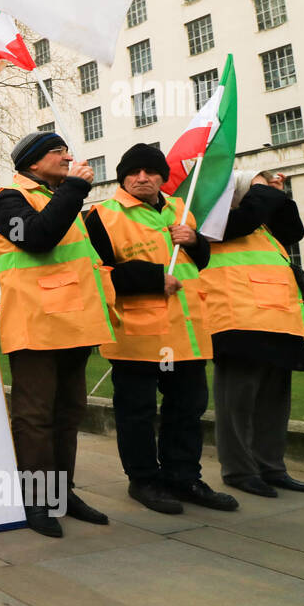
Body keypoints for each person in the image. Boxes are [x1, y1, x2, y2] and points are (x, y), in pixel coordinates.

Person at [85, 144, 235, 515]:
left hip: (186, 332)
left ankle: (183, 476)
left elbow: (198, 262)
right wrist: (152, 278)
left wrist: (195, 241)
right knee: (136, 411)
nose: (142, 178)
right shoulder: (101, 215)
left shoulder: (179, 210)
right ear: (122, 176)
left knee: (188, 408)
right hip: (138, 333)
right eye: (133, 172)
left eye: (150, 172)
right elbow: (95, 274)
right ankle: (144, 480)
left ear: (161, 178)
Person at [0, 131, 114, 537]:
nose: (67, 157)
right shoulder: (8, 199)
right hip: (36, 325)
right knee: (35, 415)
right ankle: (37, 500)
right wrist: (75, 188)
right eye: (58, 152)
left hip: (73, 323)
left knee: (68, 411)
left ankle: (63, 493)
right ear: (33, 163)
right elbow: (38, 239)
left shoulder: (63, 200)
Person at [202, 170, 304, 496]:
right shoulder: (212, 222)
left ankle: (271, 467)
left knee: (274, 403)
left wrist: (278, 195)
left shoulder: (263, 226)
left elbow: (294, 230)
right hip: (237, 322)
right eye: (256, 188)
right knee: (236, 403)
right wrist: (257, 186)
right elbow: (246, 218)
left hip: (278, 320)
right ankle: (239, 471)